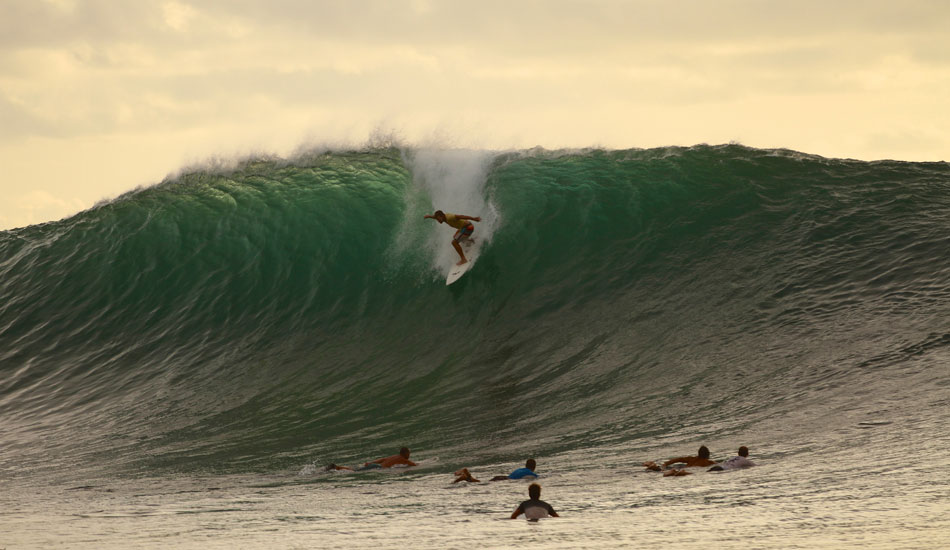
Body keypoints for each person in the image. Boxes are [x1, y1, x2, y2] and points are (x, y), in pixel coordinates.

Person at [643, 445, 718, 473]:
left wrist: (666, 463)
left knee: (660, 469)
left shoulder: (691, 458)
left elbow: (678, 459)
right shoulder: (708, 462)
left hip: (682, 468)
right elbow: (720, 465)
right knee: (663, 471)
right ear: (707, 454)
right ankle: (653, 467)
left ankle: (652, 465)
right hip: (686, 471)